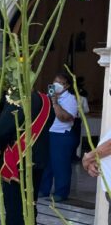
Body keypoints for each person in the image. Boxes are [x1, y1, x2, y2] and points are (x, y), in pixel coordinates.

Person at [0, 90, 53, 225]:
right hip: (39, 155)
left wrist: (0, 148)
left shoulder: (18, 96)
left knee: (14, 199)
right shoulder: (45, 99)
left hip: (19, 156)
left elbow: (2, 129)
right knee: (31, 199)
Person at [39, 73, 78, 202]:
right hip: (48, 133)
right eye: (55, 81)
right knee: (46, 163)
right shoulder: (48, 97)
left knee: (60, 164)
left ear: (66, 86)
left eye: (60, 83)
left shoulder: (70, 99)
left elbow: (65, 118)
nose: (56, 85)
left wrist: (55, 102)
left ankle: (61, 192)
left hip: (62, 135)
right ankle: (44, 189)